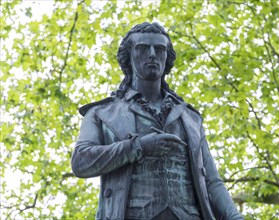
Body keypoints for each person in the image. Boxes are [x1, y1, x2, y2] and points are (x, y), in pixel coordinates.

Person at [71, 22, 243, 220]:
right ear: (128, 57)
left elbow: (212, 182)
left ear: (166, 58)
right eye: (143, 48)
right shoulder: (102, 113)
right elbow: (81, 162)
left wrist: (235, 217)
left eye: (159, 49)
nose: (152, 54)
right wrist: (138, 147)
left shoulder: (190, 118)